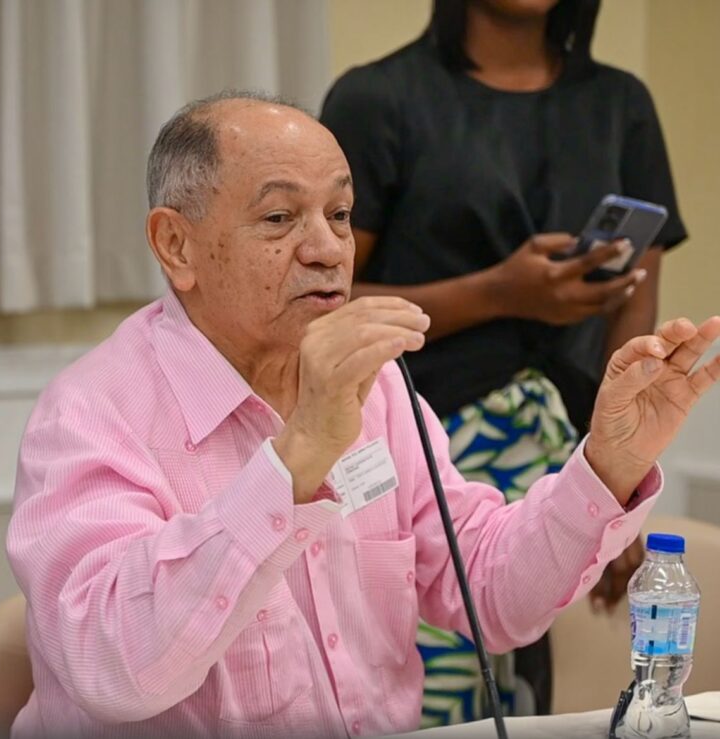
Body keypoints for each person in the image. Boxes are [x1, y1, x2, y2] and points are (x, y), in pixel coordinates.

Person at [5, 91, 719, 739]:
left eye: (341, 215)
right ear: (176, 245)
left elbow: (490, 590)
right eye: (280, 218)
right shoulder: (91, 413)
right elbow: (116, 669)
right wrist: (298, 459)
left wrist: (611, 459)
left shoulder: (376, 390)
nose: (327, 250)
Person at [319, 0, 688, 723]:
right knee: (438, 699)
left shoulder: (621, 105)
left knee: (544, 701)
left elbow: (634, 311)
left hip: (573, 445)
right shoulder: (377, 98)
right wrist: (497, 293)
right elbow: (325, 301)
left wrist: (610, 476)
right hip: (421, 445)